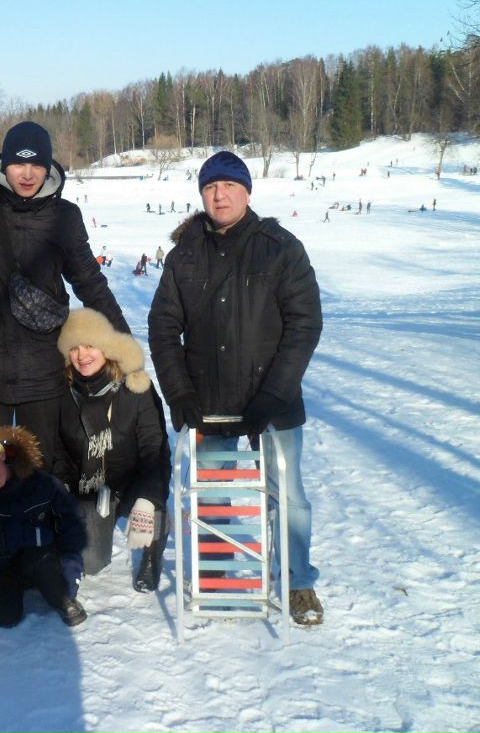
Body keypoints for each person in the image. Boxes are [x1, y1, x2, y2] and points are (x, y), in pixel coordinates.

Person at [147, 150, 324, 625]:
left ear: (246, 191)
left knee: (288, 496)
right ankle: (221, 573)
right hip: (209, 401)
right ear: (202, 194)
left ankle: (298, 581)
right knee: (211, 496)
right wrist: (180, 394)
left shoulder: (280, 247)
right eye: (210, 187)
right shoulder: (185, 255)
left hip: (275, 401)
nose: (219, 194)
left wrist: (273, 394)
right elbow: (163, 327)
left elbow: (304, 325)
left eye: (228, 185)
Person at [0, 121, 128, 464]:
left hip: (44, 374)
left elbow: (90, 281)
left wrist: (123, 341)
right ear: (5, 164)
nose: (28, 174)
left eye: (36, 165)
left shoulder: (65, 217)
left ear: (48, 167)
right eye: (19, 163)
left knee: (42, 474)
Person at [52, 309, 170, 592]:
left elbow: (155, 449)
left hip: (132, 481)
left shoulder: (135, 387)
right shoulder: (62, 393)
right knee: (91, 562)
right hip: (89, 490)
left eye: (90, 345)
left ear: (107, 348)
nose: (82, 355)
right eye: (75, 348)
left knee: (153, 503)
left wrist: (147, 498)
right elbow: (59, 453)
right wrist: (65, 492)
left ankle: (152, 556)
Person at [0, 425, 88, 628]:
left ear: (1, 455)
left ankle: (63, 601)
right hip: (0, 563)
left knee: (53, 573)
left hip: (38, 558)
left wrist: (71, 560)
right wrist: (21, 535)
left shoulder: (40, 482)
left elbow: (73, 520)